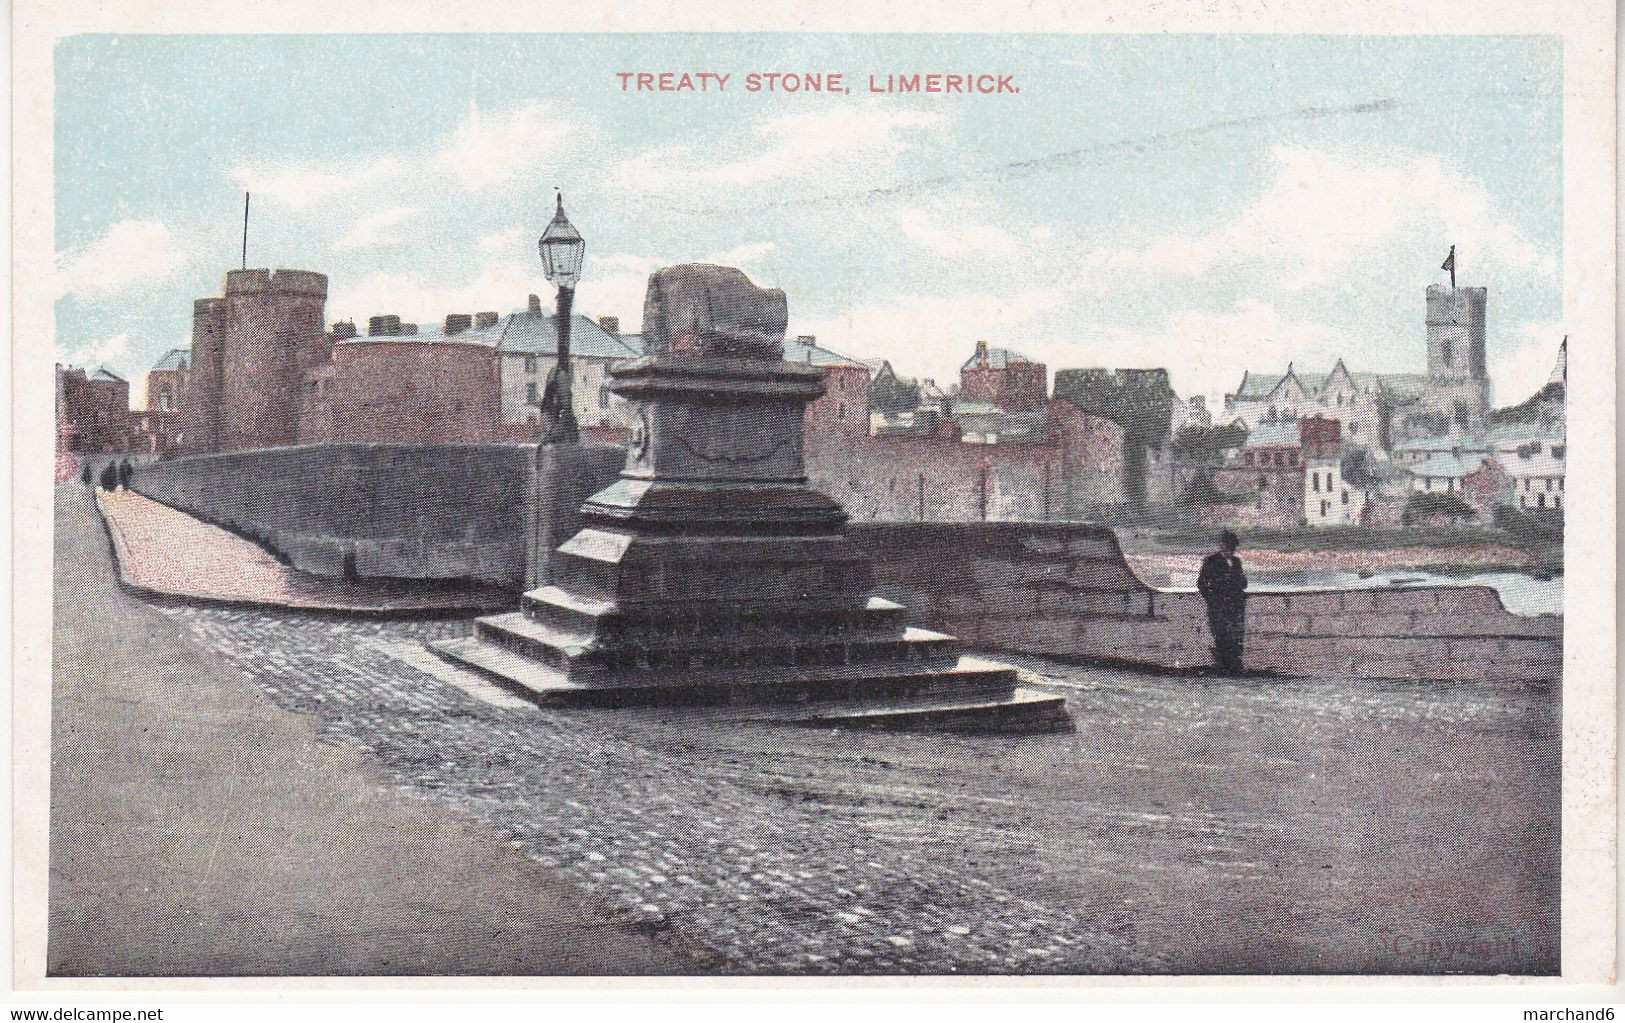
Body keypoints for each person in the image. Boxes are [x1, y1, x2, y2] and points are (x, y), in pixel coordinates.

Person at [1196, 529, 1248, 674]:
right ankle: (1223, 666)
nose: (1230, 550)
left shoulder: (1237, 561)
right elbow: (1201, 583)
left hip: (1235, 605)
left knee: (1235, 636)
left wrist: (1238, 580)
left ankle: (1233, 667)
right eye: (1228, 546)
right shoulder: (1211, 561)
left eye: (1232, 547)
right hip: (1218, 605)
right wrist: (1212, 600)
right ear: (1222, 545)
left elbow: (1244, 583)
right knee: (1221, 635)